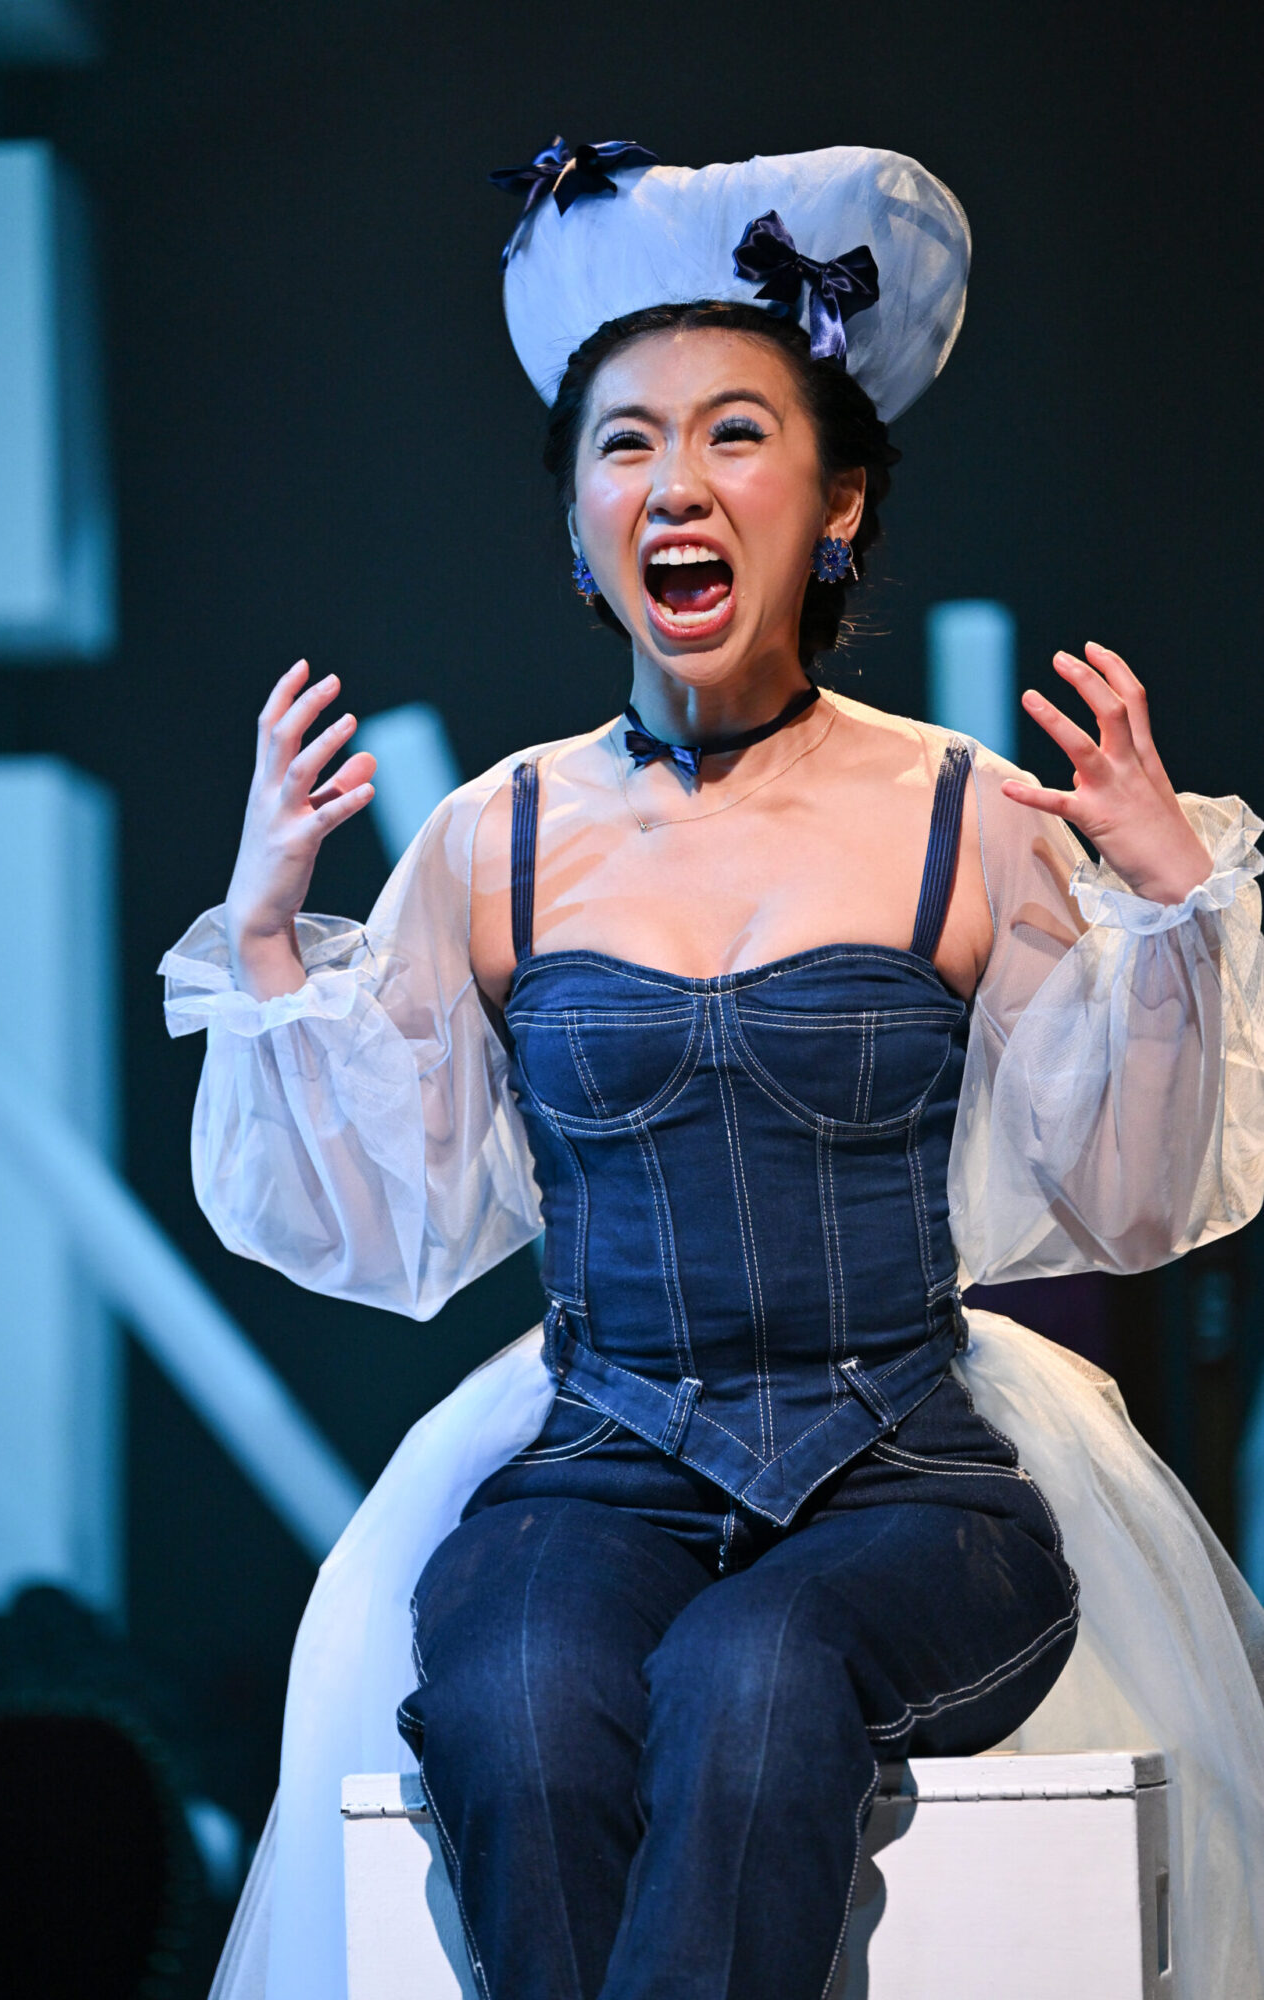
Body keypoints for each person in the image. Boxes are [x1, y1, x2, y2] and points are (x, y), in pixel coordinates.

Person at [161, 144, 1264, 2000]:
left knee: (752, 1675)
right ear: (577, 528)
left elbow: (1138, 1186)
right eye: (623, 444)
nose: (673, 480)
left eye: (733, 434)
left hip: (908, 1475)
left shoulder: (963, 812)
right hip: (598, 1465)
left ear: (835, 505)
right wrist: (269, 939)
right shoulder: (495, 840)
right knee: (517, 1691)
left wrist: (1167, 920)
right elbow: (390, 1213)